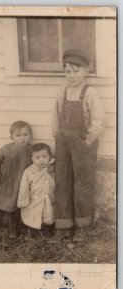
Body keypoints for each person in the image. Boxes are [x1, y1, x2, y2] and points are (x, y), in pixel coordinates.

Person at [50, 49, 106, 243]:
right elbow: (55, 116)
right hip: (63, 143)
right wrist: (57, 135)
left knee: (82, 184)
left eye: (75, 71)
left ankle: (82, 226)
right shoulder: (61, 91)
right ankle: (63, 227)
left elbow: (98, 121)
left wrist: (87, 141)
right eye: (67, 71)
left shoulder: (89, 92)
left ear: (85, 71)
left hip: (83, 144)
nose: (71, 75)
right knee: (62, 182)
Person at [0, 120, 33, 241]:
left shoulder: (31, 151)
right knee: (0, 206)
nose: (22, 138)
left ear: (30, 136)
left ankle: (13, 228)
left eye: (25, 135)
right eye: (18, 136)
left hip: (20, 184)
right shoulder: (6, 149)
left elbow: (38, 164)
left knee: (16, 207)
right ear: (11, 137)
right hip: (5, 183)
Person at [17, 143, 55, 239]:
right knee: (33, 215)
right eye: (37, 157)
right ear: (32, 159)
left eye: (44, 157)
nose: (41, 160)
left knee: (48, 213)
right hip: (34, 199)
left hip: (49, 198)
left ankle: (46, 229)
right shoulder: (29, 171)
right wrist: (23, 201)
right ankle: (31, 230)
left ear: (50, 157)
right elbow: (24, 187)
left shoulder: (53, 169)